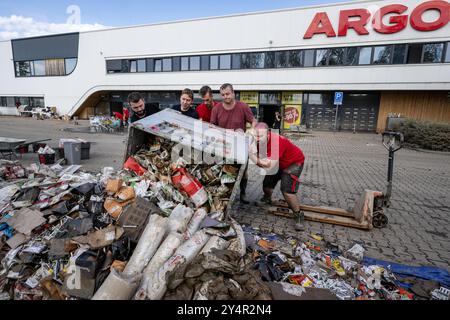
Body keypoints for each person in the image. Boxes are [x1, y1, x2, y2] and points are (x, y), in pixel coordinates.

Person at [250, 122, 306, 231]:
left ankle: (298, 215)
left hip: (293, 163)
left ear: (268, 134)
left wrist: (252, 157)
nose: (257, 138)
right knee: (267, 185)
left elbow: (268, 164)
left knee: (287, 191)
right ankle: (267, 198)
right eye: (255, 135)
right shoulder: (256, 140)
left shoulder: (277, 141)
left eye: (260, 136)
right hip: (277, 162)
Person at [211, 83, 257, 204]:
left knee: (243, 171)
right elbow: (212, 126)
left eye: (227, 94)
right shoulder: (216, 109)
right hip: (223, 146)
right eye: (223, 95)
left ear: (233, 93)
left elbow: (253, 120)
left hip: (240, 145)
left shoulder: (243, 106)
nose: (225, 96)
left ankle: (243, 194)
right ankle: (223, 193)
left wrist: (251, 131)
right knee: (224, 169)